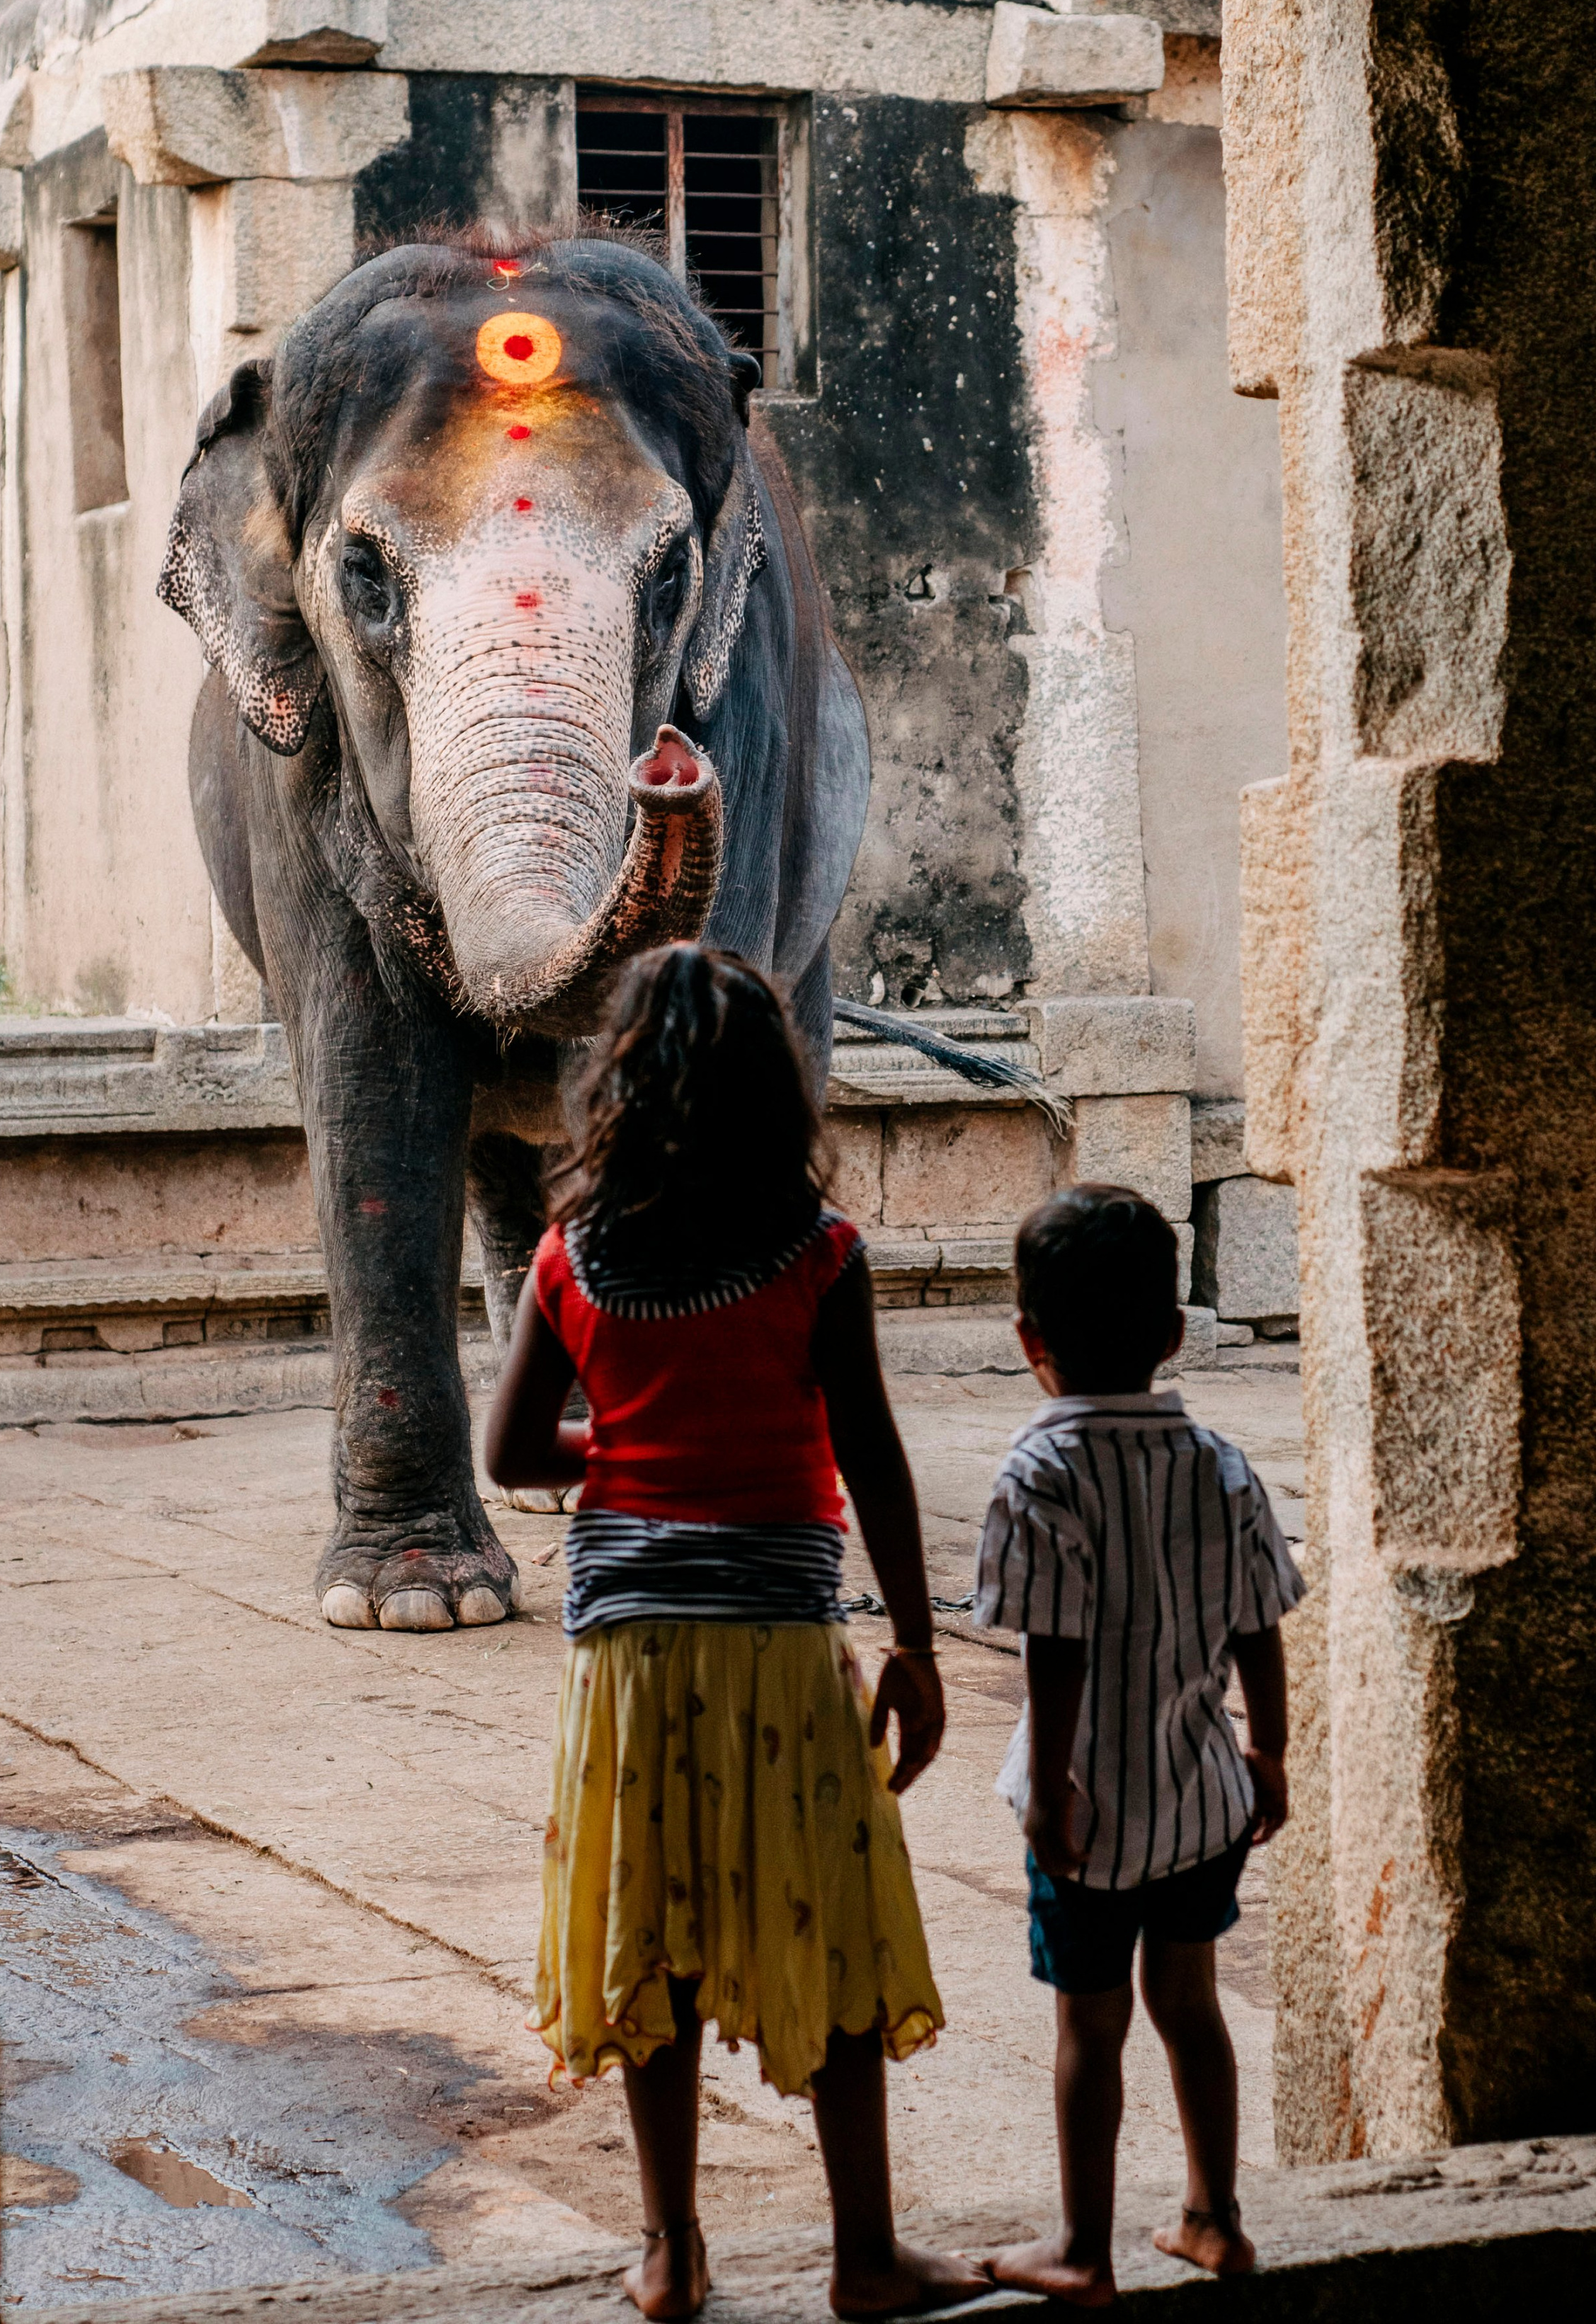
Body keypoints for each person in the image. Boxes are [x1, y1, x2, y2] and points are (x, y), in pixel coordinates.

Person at [484, 945, 986, 2324]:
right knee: (827, 1921)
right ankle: (865, 2255)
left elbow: (511, 1450)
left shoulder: (569, 1259)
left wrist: (623, 1439)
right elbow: (874, 1458)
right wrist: (918, 1650)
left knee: (652, 1932)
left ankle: (669, 2249)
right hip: (780, 1643)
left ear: (615, 1088)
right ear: (778, 1092)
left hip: (632, 1659)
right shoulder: (819, 1257)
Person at [971, 1184, 1304, 2308]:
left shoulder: (1038, 1474)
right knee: (1191, 2006)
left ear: (1030, 1341)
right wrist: (1271, 1753)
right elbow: (1260, 1623)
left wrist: (1049, 1793)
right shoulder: (1222, 1463)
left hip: (1090, 1810)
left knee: (1090, 2029)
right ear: (1172, 1333)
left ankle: (1083, 2246)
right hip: (1203, 1797)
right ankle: (1216, 2218)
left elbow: (1053, 1650)